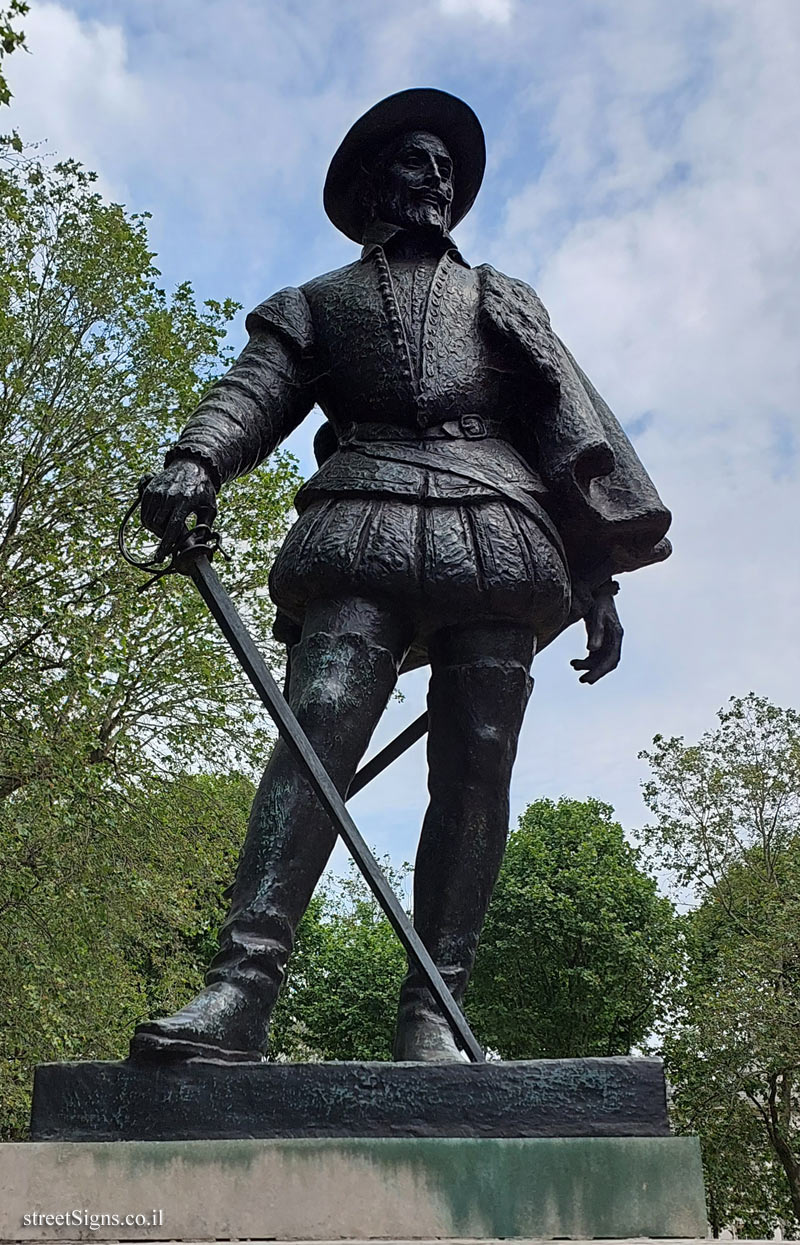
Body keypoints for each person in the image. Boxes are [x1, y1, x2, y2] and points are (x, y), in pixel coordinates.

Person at [131, 88, 671, 1064]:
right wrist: (197, 458)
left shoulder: (505, 301)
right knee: (319, 726)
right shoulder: (320, 303)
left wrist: (596, 576)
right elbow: (251, 393)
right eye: (419, 162)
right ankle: (239, 990)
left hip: (499, 539)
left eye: (447, 168)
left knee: (476, 762)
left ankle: (432, 1014)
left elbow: (565, 433)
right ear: (376, 182)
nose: (441, 179)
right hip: (363, 521)